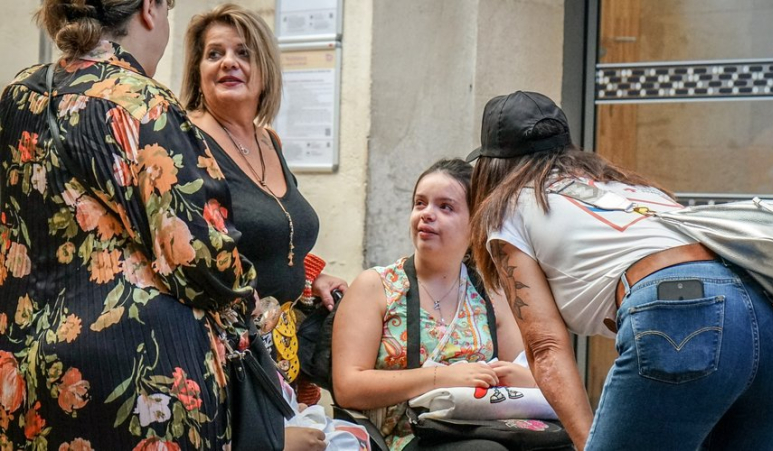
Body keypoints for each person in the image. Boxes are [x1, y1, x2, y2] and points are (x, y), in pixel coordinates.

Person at [0, 0, 268, 449]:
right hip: (140, 377)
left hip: (23, 369)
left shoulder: (17, 96)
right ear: (149, 9)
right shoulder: (141, 101)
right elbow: (201, 259)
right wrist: (252, 295)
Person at [467, 91, 773, 450]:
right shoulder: (631, 187)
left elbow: (546, 347)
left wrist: (586, 443)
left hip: (684, 311)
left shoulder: (508, 207)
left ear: (491, 166)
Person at [181, 3, 347, 399]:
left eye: (243, 53)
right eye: (214, 54)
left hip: (283, 349)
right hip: (226, 358)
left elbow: (275, 229)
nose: (228, 63)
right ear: (198, 71)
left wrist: (309, 277)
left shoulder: (269, 140)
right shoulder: (186, 140)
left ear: (265, 69)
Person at [333, 159, 537, 451]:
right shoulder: (376, 286)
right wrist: (441, 377)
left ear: (475, 224)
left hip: (479, 427)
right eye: (420, 203)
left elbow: (527, 375)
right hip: (401, 438)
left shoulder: (490, 294)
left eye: (445, 207)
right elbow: (348, 387)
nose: (427, 214)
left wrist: (513, 376)